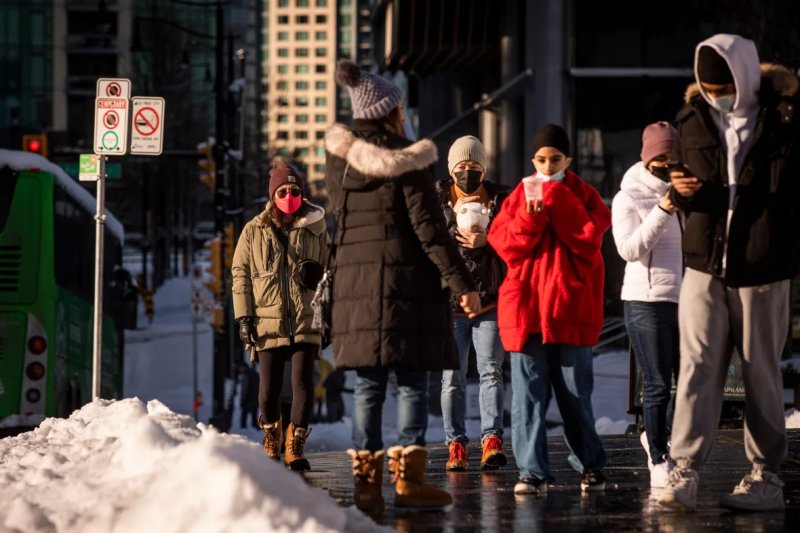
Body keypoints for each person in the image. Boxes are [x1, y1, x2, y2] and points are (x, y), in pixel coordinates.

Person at [326, 59, 480, 511]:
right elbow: (430, 231)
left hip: (354, 288)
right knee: (412, 382)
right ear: (391, 113)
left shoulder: (340, 168)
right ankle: (409, 482)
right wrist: (463, 284)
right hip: (406, 289)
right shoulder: (410, 164)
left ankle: (366, 487)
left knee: (369, 386)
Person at [657, 34, 800, 512]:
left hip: (762, 264)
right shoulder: (693, 120)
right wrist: (682, 188)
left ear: (744, 77)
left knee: (760, 367)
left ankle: (766, 476)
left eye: (723, 86)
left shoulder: (784, 121)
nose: (716, 94)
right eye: (707, 85)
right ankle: (684, 470)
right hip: (704, 262)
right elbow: (696, 191)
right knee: (697, 365)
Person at [487, 124, 611, 495]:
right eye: (541, 159)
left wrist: (555, 202)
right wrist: (531, 217)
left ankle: (590, 465)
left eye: (555, 158)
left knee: (576, 396)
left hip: (569, 310)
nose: (547, 165)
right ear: (532, 160)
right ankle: (532, 471)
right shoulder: (518, 196)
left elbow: (590, 240)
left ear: (568, 159)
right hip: (526, 312)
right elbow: (504, 245)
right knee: (527, 398)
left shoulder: (585, 195)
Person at [231, 163, 330, 472]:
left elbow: (330, 274)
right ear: (272, 195)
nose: (290, 196)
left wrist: (319, 279)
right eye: (283, 191)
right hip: (267, 321)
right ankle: (272, 436)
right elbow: (240, 275)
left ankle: (295, 445)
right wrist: (244, 318)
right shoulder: (253, 230)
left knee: (303, 383)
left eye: (295, 191)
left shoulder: (316, 228)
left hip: (305, 319)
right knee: (268, 390)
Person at [611, 122, 683, 489]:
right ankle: (657, 457)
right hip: (646, 300)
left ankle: (669, 443)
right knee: (657, 385)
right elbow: (628, 249)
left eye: (673, 156)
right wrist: (664, 209)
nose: (668, 163)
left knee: (688, 382)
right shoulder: (629, 196)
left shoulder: (686, 189)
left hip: (685, 300)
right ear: (648, 158)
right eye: (661, 157)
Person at [435, 135, 510, 471]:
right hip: (450, 306)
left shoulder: (502, 202)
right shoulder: (436, 205)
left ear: (484, 168)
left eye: (474, 166)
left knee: (491, 372)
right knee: (451, 377)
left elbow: (514, 246)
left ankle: (492, 438)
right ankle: (455, 444)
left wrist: (488, 238)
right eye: (462, 167)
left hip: (491, 303)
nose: (468, 172)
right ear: (452, 170)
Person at [238, 363, 260, 429]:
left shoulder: (246, 375)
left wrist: (242, 400)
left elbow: (244, 389)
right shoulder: (256, 374)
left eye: (240, 368)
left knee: (244, 415)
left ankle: (243, 428)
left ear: (243, 367)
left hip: (248, 398)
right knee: (254, 414)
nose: (240, 370)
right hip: (255, 397)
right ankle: (256, 428)